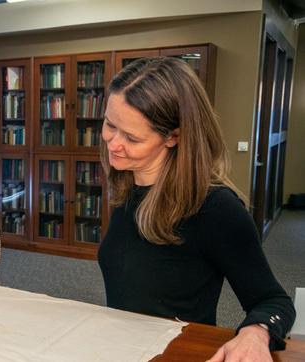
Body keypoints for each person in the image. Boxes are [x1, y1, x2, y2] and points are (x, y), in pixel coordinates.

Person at [97, 57, 295, 361]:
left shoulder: (216, 209)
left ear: (173, 137)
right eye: (110, 125)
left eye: (132, 137)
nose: (113, 143)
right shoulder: (128, 184)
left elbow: (273, 301)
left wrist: (256, 332)